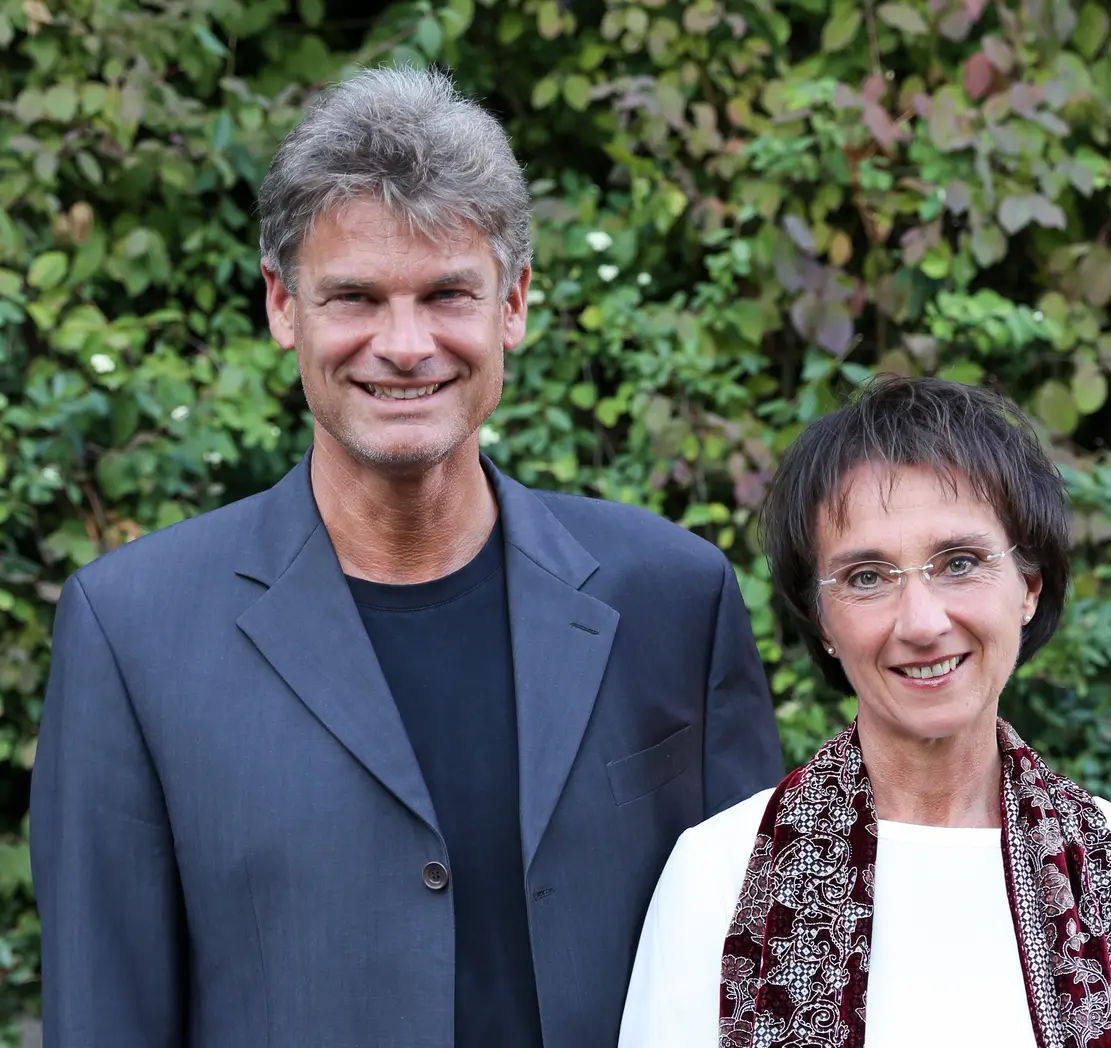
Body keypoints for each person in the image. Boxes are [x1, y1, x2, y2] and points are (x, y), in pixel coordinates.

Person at [29, 66, 783, 1048]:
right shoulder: (132, 632)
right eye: (354, 296)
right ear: (281, 305)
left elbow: (766, 985)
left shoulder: (674, 600)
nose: (402, 343)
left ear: (510, 305)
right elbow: (104, 1018)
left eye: (444, 294)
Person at [618, 376, 1111, 1048]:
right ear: (822, 621)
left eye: (959, 562)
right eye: (867, 577)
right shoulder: (716, 877)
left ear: (1028, 587)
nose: (921, 622)